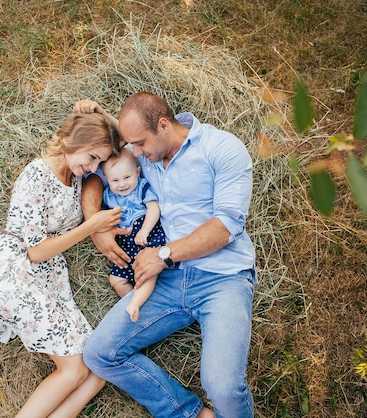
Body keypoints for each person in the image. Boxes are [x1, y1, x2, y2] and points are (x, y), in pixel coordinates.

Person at [77, 93, 257, 418]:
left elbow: (226, 226)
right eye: (131, 145)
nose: (136, 152)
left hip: (222, 279)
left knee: (222, 387)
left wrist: (163, 253)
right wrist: (95, 225)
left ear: (163, 126)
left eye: (140, 144)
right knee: (100, 353)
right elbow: (93, 176)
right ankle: (189, 413)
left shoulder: (221, 148)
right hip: (168, 282)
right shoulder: (143, 154)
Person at [0, 112, 122, 418]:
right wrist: (91, 226)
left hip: (48, 280)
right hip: (15, 269)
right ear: (76, 141)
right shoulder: (36, 175)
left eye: (99, 161)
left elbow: (123, 149)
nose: (94, 166)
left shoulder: (77, 174)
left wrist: (97, 111)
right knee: (73, 370)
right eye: (92, 157)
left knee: (97, 369)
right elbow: (36, 252)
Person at [102, 148, 166, 322]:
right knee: (116, 279)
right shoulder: (108, 196)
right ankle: (136, 304)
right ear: (107, 180)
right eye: (115, 180)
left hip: (146, 236)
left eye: (127, 177)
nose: (122, 184)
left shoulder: (142, 187)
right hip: (125, 242)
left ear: (137, 172)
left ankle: (136, 303)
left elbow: (154, 208)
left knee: (146, 271)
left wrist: (145, 230)